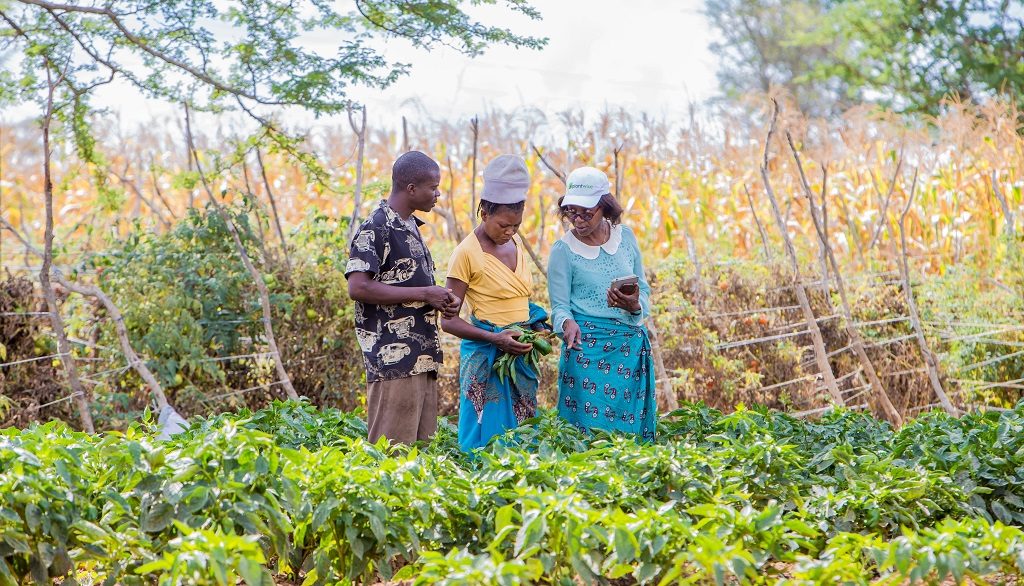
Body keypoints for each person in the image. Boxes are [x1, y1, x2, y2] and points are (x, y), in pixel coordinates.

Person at [345, 151, 459, 445]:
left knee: (419, 453)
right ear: (411, 189)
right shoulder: (377, 227)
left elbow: (407, 286)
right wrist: (424, 293)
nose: (437, 194)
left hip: (421, 357)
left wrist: (440, 299)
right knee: (391, 453)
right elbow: (358, 287)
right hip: (393, 361)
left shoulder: (409, 226)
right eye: (433, 187)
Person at [441, 154, 549, 452]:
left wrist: (537, 325)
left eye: (516, 225)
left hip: (519, 355)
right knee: (482, 436)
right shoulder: (466, 253)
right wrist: (495, 338)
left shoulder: (514, 244)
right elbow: (448, 320)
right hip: (486, 356)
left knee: (523, 433)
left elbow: (519, 300)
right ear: (484, 212)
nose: (510, 232)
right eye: (504, 225)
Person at [547, 166, 656, 441]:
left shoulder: (625, 238)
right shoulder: (564, 250)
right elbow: (559, 306)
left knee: (628, 437)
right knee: (587, 438)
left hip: (628, 351)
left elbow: (643, 288)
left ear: (605, 208)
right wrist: (567, 323)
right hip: (587, 351)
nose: (578, 220)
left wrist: (634, 305)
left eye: (586, 213)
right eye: (572, 212)